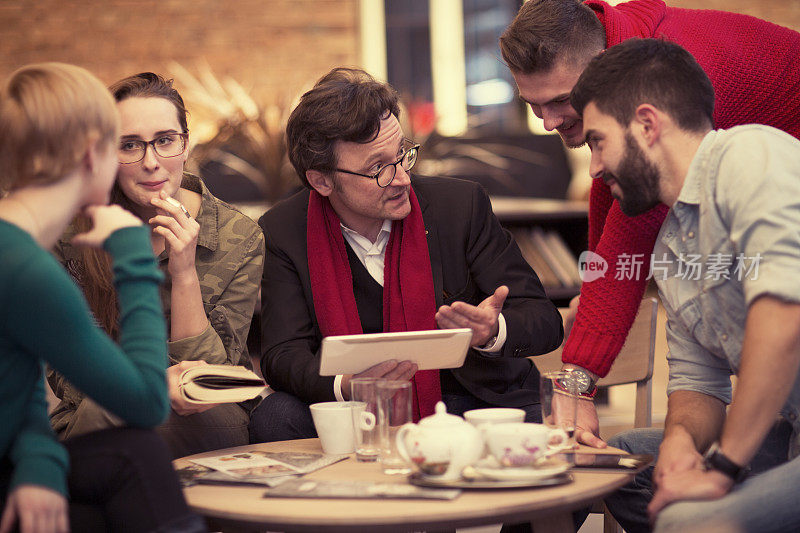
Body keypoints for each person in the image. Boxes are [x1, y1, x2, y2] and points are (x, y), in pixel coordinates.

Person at [499, 0, 800, 448]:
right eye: (534, 105)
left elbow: (632, 227)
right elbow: (614, 185)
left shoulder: (668, 71)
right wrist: (596, 279)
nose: (548, 123)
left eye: (561, 101)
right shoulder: (618, 63)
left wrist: (577, 378)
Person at [249, 67, 563, 442]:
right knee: (275, 417)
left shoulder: (460, 205)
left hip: (468, 400)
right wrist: (350, 384)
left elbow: (543, 319)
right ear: (322, 180)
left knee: (545, 427)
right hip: (355, 407)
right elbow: (283, 354)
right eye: (379, 168)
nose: (401, 178)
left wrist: (492, 331)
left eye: (402, 155)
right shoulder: (284, 230)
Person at [570, 38, 800, 533]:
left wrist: (721, 468)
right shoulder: (671, 247)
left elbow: (785, 320)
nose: (593, 167)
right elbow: (698, 384)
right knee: (612, 464)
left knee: (691, 520)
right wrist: (680, 443)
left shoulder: (750, 156)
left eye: (596, 141)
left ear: (647, 125)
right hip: (789, 437)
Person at [0, 63, 205, 532]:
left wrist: (38, 462)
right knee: (140, 452)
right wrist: (133, 256)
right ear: (93, 155)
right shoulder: (26, 268)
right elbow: (147, 402)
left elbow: (15, 381)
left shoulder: (14, 245)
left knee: (117, 475)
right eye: (124, 145)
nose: (145, 162)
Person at [46, 72, 265, 458]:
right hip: (98, 411)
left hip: (206, 416)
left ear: (185, 143)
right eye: (129, 145)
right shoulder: (71, 235)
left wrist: (184, 273)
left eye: (165, 141)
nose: (151, 162)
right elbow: (66, 370)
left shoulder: (238, 235)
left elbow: (217, 379)